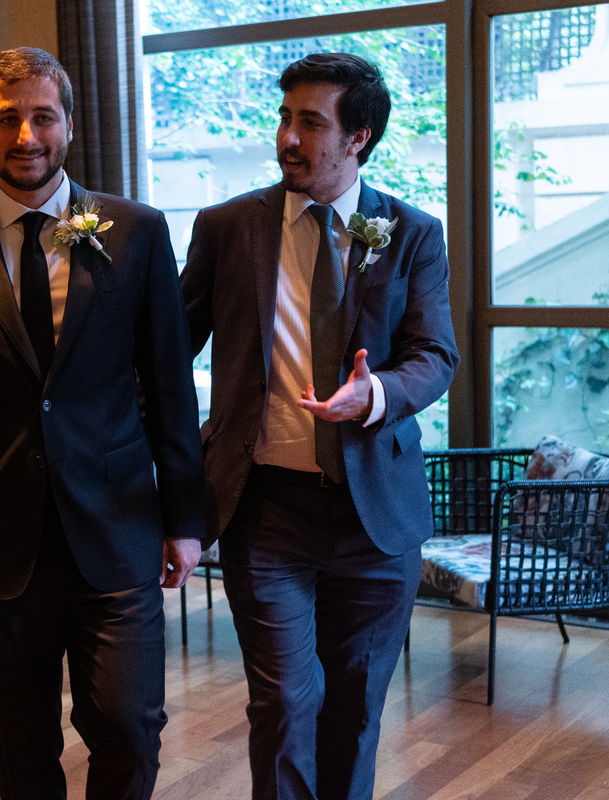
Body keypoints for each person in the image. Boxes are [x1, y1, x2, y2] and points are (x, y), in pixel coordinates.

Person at [0, 47, 206, 800]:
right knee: (21, 751)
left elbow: (169, 383)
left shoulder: (136, 231)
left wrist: (185, 515)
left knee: (128, 726)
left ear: (67, 123)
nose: (25, 135)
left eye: (41, 117)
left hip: (116, 528)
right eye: (6, 119)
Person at [180, 53, 459, 800]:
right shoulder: (227, 227)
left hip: (376, 517)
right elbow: (169, 348)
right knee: (282, 702)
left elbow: (436, 355)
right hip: (265, 509)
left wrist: (375, 395)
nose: (289, 138)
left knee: (355, 711)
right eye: (284, 118)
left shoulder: (410, 232)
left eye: (311, 122)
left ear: (358, 136)